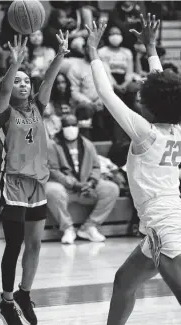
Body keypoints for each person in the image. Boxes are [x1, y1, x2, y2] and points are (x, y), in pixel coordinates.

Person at [86, 13, 181, 324]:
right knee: (124, 282)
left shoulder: (146, 132)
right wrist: (151, 49)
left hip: (164, 224)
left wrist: (92, 53)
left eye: (143, 95)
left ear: (150, 104)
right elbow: (166, 88)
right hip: (160, 222)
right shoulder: (174, 128)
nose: (139, 97)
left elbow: (106, 94)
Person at [0, 31, 69, 325]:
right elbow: (2, 91)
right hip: (12, 182)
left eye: (27, 80)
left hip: (37, 184)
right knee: (14, 245)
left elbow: (47, 82)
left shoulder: (38, 107)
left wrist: (60, 55)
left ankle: (24, 294)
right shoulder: (3, 112)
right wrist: (15, 64)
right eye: (18, 81)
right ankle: (6, 302)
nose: (23, 84)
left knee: (35, 245)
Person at [45, 114, 119, 244]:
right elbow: (53, 170)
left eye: (74, 125)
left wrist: (91, 182)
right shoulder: (52, 144)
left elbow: (96, 167)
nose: (71, 128)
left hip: (86, 186)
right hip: (65, 188)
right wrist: (74, 184)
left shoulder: (87, 144)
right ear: (62, 128)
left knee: (111, 189)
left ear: (78, 127)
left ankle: (89, 227)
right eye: (67, 125)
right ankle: (68, 228)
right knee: (51, 190)